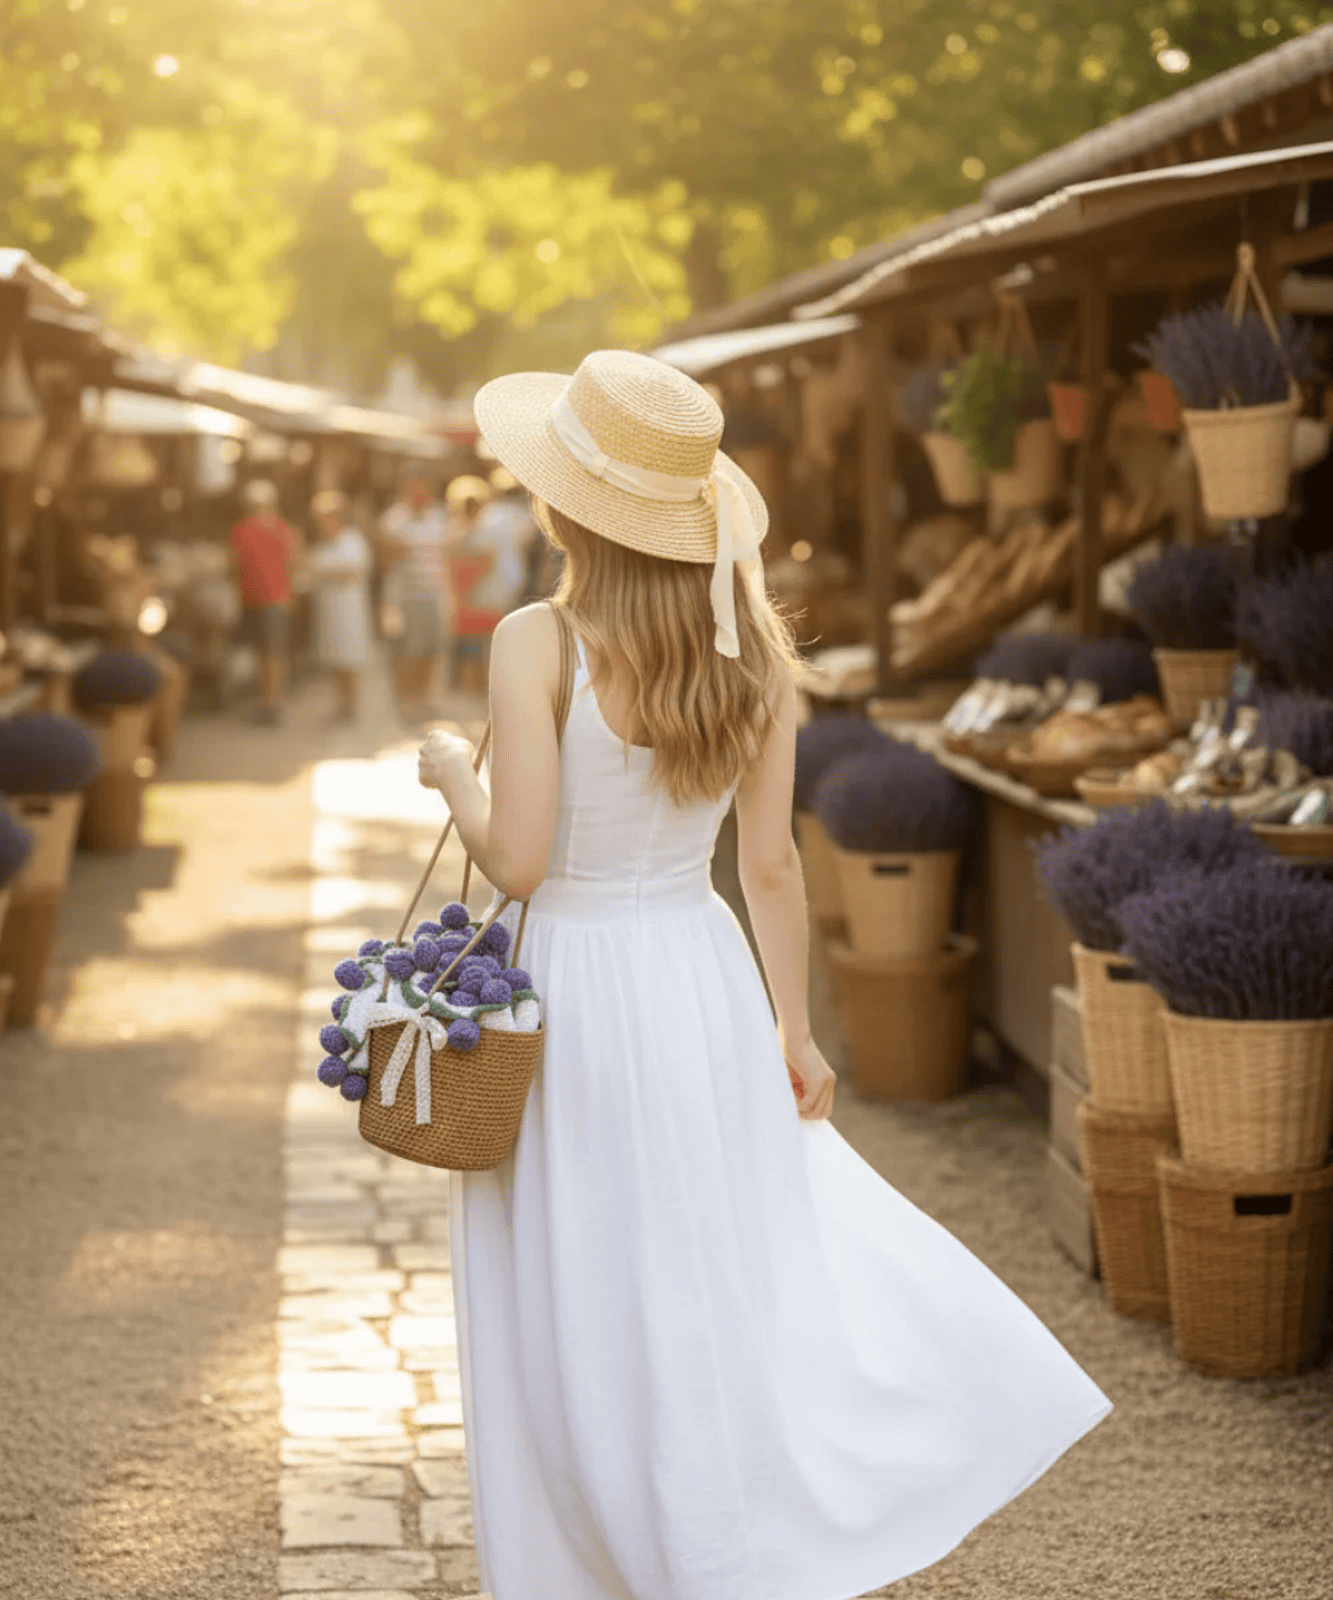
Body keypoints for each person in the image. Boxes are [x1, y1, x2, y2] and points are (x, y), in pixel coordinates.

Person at [415, 350, 1111, 1600]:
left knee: (574, 1281)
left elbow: (515, 864)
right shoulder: (755, 655)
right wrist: (793, 1028)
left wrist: (450, 778)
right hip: (697, 979)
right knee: (697, 1270)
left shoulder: (537, 641)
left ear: (563, 503)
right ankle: (717, 1541)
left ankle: (590, 1562)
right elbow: (773, 867)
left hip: (570, 982)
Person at [379, 474, 448, 723]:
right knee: (406, 649)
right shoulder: (394, 518)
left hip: (434, 590)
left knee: (430, 649)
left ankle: (422, 699)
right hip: (404, 594)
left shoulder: (439, 516)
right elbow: (386, 554)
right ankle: (407, 701)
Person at [229, 478, 294, 725]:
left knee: (271, 654)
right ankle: (268, 701)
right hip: (260, 600)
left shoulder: (257, 530)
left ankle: (273, 702)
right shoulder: (268, 529)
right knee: (266, 653)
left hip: (268, 600)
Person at [307, 489, 373, 723]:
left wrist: (324, 571)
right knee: (334, 660)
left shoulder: (352, 540)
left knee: (348, 659)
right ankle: (341, 707)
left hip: (348, 610)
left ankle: (351, 707)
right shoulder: (323, 545)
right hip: (328, 609)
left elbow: (352, 571)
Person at [441, 474, 493, 694]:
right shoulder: (462, 535)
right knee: (472, 647)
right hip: (470, 597)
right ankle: (471, 685)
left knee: (474, 646)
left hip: (472, 597)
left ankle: (471, 685)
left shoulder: (460, 534)